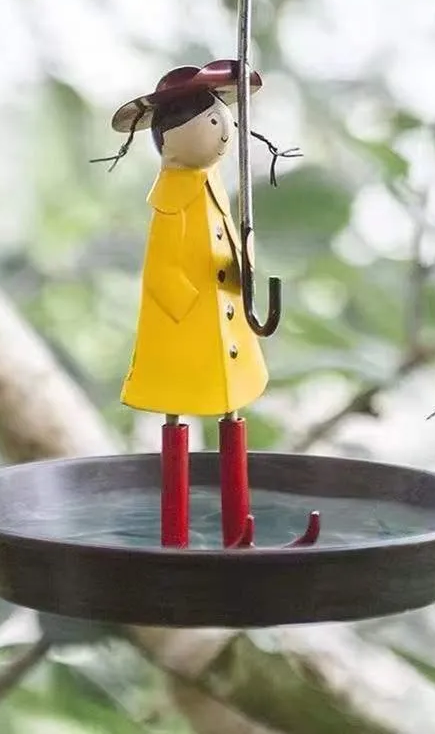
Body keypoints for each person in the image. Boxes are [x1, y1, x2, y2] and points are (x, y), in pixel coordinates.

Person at [94, 60, 317, 548]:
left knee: (231, 414)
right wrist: (191, 305)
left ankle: (239, 529)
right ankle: (176, 536)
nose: (223, 135)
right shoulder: (171, 199)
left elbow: (223, 242)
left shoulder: (212, 186)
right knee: (179, 418)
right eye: (212, 124)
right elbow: (163, 271)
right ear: (170, 140)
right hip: (186, 331)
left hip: (226, 328)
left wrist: (242, 262)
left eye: (225, 123)